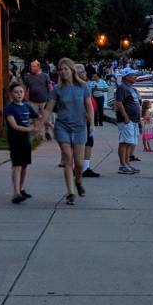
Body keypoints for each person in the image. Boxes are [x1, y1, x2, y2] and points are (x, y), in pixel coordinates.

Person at [43, 58, 93, 205]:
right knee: (67, 158)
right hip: (62, 126)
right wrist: (42, 123)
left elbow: (89, 106)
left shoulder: (83, 86)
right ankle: (70, 192)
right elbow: (48, 108)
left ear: (72, 70)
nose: (63, 72)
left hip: (80, 127)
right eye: (60, 69)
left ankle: (78, 181)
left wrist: (92, 124)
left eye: (66, 69)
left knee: (79, 163)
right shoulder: (57, 89)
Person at [4, 82, 37, 204]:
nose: (19, 94)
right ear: (11, 94)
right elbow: (14, 126)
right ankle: (16, 192)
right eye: (16, 92)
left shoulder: (27, 106)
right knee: (17, 166)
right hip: (15, 140)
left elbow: (37, 116)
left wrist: (47, 124)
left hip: (25, 140)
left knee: (24, 165)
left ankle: (21, 188)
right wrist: (30, 129)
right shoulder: (9, 108)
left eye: (21, 92)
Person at [115, 71, 142, 174]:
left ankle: (127, 164)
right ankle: (122, 165)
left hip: (134, 120)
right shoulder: (122, 88)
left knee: (130, 142)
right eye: (133, 75)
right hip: (126, 120)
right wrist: (126, 117)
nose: (135, 77)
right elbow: (118, 102)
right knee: (124, 142)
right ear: (126, 77)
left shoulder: (132, 88)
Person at [22, 60, 52, 140]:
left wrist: (51, 98)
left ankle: (47, 131)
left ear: (38, 67)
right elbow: (25, 88)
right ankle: (38, 135)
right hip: (33, 101)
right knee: (35, 118)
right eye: (31, 66)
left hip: (44, 100)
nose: (32, 68)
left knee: (45, 118)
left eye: (34, 66)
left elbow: (50, 87)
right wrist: (24, 97)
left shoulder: (45, 76)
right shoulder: (28, 77)